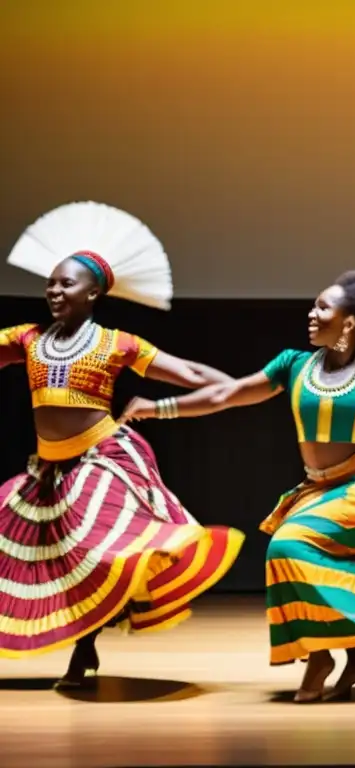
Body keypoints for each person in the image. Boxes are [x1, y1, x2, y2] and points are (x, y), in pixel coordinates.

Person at [120, 269, 355, 703]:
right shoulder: (293, 364)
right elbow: (225, 395)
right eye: (313, 304)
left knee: (288, 546)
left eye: (322, 307)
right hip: (319, 489)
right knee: (326, 561)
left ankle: (320, 656)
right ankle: (354, 658)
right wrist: (158, 408)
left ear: (349, 322)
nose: (311, 313)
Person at [0, 251, 245, 689]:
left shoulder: (118, 343)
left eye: (67, 284)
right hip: (50, 469)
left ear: (93, 292)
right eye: (51, 283)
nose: (55, 291)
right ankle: (87, 640)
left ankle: (82, 647)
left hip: (102, 458)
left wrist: (233, 388)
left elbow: (187, 372)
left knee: (94, 546)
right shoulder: (28, 339)